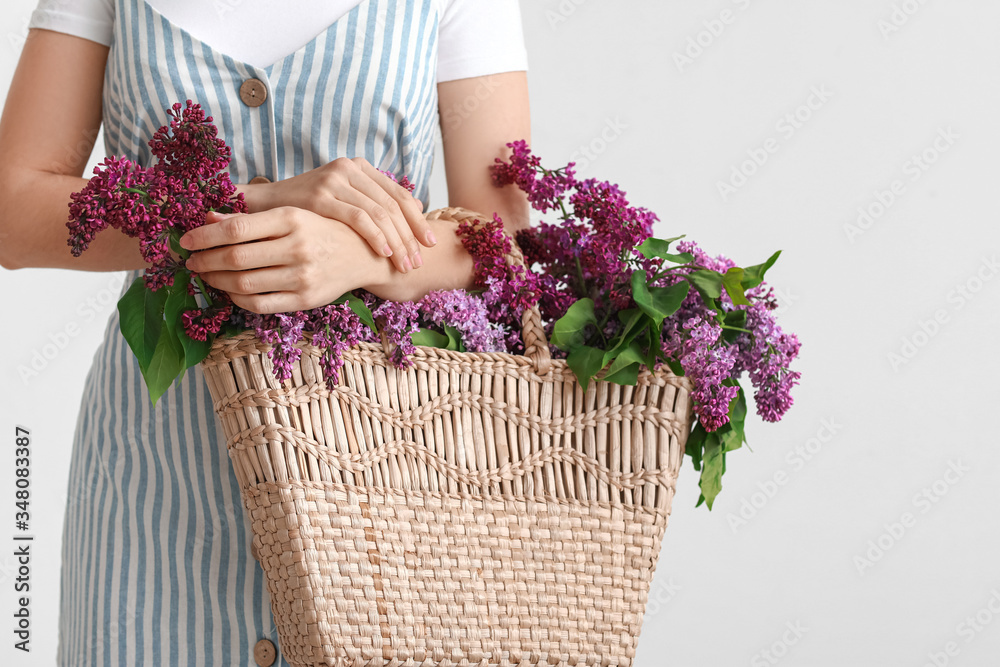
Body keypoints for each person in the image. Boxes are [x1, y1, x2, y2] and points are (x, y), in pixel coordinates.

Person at [0, 0, 531, 664]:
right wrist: (253, 203)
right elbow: (14, 209)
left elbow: (505, 239)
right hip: (151, 484)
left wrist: (363, 257)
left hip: (381, 491)